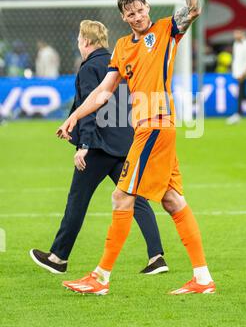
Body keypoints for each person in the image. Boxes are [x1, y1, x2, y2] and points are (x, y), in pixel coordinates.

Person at [57, 0, 215, 296]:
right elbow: (102, 92)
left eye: (141, 9)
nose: (139, 16)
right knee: (173, 201)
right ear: (123, 17)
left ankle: (100, 278)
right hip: (150, 127)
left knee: (120, 196)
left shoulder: (165, 29)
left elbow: (194, 8)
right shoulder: (121, 47)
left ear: (146, 8)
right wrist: (74, 116)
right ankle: (202, 279)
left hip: (156, 124)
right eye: (131, 13)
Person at [30, 20, 168, 276]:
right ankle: (157, 256)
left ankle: (58, 257)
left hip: (98, 147)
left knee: (77, 200)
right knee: (135, 199)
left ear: (85, 41)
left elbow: (91, 111)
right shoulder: (119, 61)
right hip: (125, 143)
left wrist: (83, 145)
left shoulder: (89, 68)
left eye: (79, 39)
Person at [226, 29, 246, 125]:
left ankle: (238, 114)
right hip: (238, 73)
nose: (235, 35)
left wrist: (244, 73)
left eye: (237, 33)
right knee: (243, 94)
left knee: (241, 94)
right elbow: (237, 60)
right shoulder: (236, 44)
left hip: (244, 74)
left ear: (242, 33)